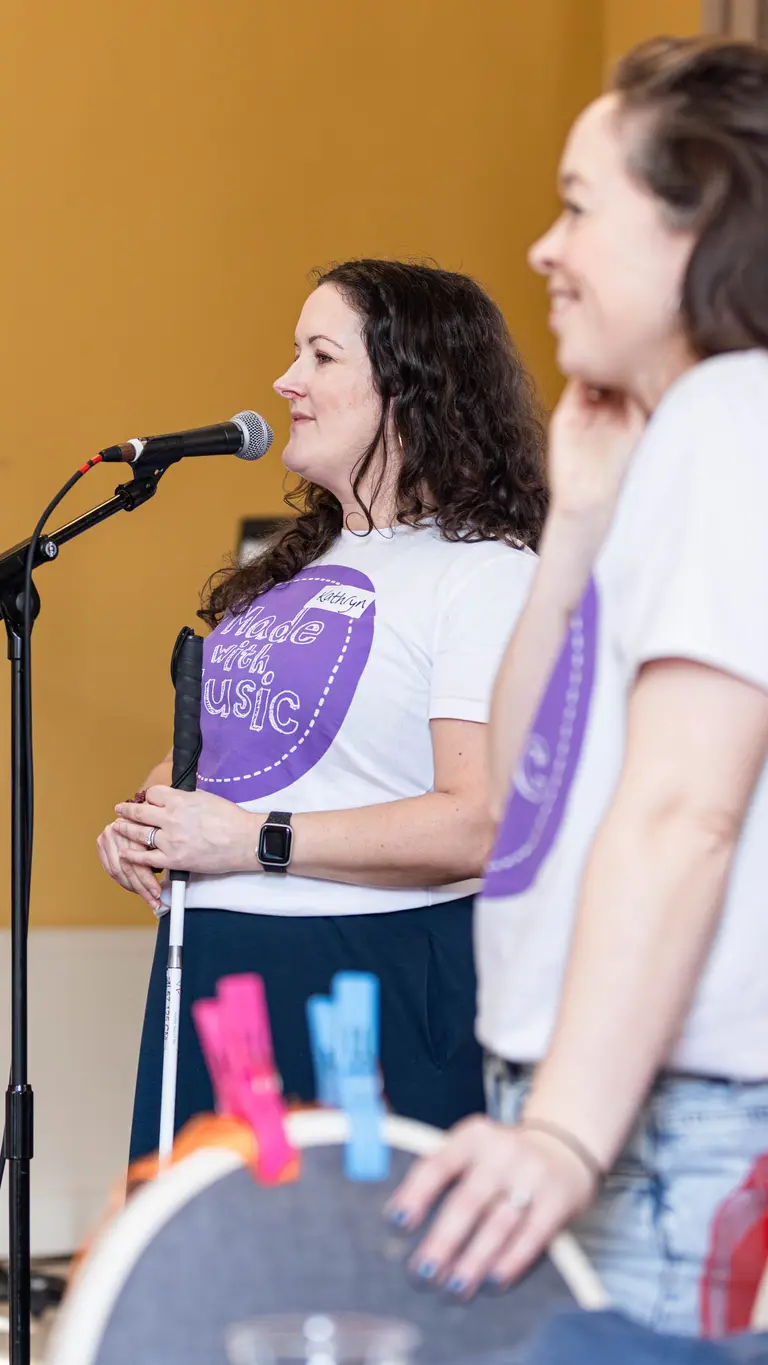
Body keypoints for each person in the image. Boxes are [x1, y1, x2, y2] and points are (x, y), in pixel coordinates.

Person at [388, 38, 768, 1337]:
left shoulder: (735, 421)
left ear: (699, 224)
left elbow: (686, 812)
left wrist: (561, 1134)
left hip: (661, 1110)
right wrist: (578, 524)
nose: (544, 249)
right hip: (600, 1092)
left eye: (577, 203)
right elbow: (523, 778)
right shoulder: (681, 445)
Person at [97, 258, 547, 1159]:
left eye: (320, 355)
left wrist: (251, 839)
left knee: (351, 1272)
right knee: (218, 1262)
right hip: (218, 971)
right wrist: (149, 818)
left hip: (366, 972)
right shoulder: (292, 567)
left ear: (411, 387)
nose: (285, 380)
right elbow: (223, 757)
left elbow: (477, 822)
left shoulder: (486, 575)